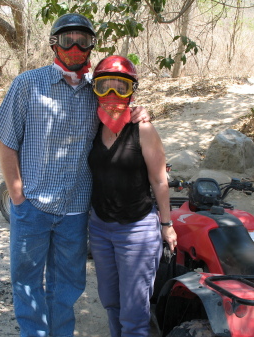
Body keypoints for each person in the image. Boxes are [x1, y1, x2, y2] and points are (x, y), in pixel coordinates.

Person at [0, 14, 149, 337]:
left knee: (67, 286)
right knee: (27, 282)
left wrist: (139, 112)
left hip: (75, 211)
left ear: (91, 47)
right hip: (32, 206)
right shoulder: (27, 85)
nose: (75, 48)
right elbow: (6, 142)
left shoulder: (96, 93)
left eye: (83, 41)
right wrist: (17, 196)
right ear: (53, 45)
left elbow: (118, 109)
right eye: (67, 40)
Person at [88, 55, 177, 337]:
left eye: (121, 87)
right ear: (95, 90)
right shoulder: (91, 126)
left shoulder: (144, 129)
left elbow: (159, 179)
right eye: (105, 87)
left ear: (132, 92)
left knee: (135, 312)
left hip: (136, 231)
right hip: (100, 229)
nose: (112, 94)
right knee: (111, 302)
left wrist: (167, 224)